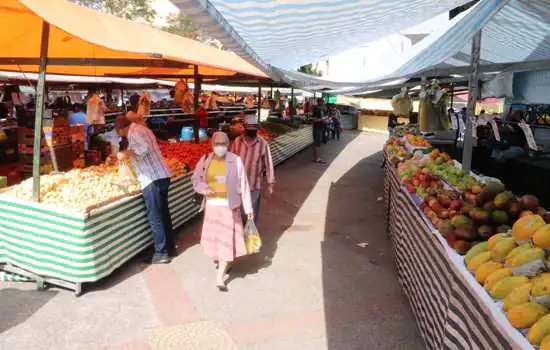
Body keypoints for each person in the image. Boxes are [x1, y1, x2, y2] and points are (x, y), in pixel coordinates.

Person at [192, 132, 254, 291]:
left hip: (229, 207)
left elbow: (244, 184)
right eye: (217, 143)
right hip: (212, 207)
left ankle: (220, 277)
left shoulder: (236, 160)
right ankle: (224, 262)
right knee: (215, 239)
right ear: (212, 144)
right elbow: (196, 179)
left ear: (228, 144)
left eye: (223, 143)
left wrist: (248, 209)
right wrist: (203, 188)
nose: (220, 146)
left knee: (226, 239)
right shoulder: (205, 159)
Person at [114, 115, 174, 264]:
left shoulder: (134, 133)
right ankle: (169, 247)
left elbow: (143, 149)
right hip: (162, 175)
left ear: (122, 129)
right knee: (164, 213)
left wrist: (125, 153)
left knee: (155, 217)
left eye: (119, 132)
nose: (120, 135)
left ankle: (161, 253)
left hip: (151, 179)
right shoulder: (143, 129)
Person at [230, 115, 275, 224]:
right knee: (238, 213)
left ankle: (249, 235)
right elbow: (230, 161)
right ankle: (239, 236)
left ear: (257, 128)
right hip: (238, 185)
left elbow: (268, 164)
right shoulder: (237, 142)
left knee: (251, 213)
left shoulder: (263, 143)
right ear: (244, 127)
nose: (251, 131)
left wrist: (270, 183)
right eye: (249, 128)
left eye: (253, 128)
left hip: (254, 185)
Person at [311, 99, 326, 163]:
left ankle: (315, 158)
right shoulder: (316, 110)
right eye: (322, 103)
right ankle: (317, 158)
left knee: (317, 143)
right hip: (317, 128)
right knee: (317, 144)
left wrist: (325, 120)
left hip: (319, 128)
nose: (323, 104)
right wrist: (322, 119)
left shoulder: (321, 110)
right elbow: (314, 120)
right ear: (320, 102)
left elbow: (321, 119)